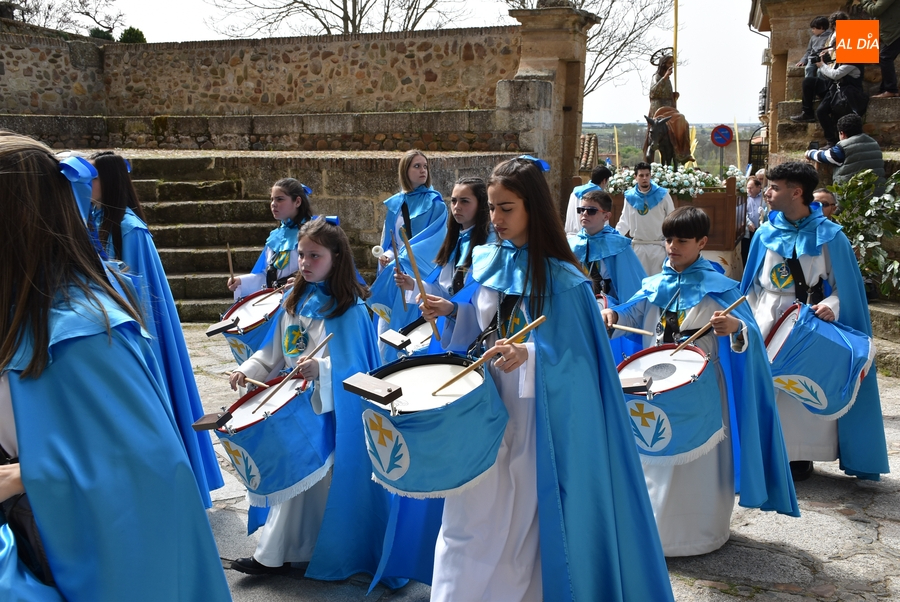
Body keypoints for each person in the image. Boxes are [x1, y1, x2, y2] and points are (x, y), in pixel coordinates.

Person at [422, 156, 673, 601]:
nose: (496, 218)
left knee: (522, 517)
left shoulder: (565, 279)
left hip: (534, 413)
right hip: (482, 401)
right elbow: (484, 323)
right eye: (492, 208)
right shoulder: (487, 258)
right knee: (468, 516)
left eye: (507, 208)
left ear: (533, 208)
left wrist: (530, 354)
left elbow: (581, 361)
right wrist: (453, 311)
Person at [0, 132, 231, 600]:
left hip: (58, 560)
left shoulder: (83, 335)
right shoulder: (24, 312)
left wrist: (25, 474)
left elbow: (143, 472)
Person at [601, 206, 798, 556]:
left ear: (702, 242)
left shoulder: (721, 288)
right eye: (668, 239)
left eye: (682, 240)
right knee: (652, 453)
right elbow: (630, 313)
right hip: (654, 384)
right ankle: (653, 534)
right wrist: (612, 313)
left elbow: (749, 334)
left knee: (698, 462)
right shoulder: (654, 284)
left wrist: (735, 328)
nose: (672, 247)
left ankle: (698, 533)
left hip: (702, 385)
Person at [228, 218, 405, 585]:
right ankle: (288, 551)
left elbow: (358, 368)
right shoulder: (293, 302)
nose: (305, 262)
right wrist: (246, 370)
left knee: (315, 481)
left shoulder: (351, 309)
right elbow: (271, 354)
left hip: (331, 410)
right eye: (301, 254)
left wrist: (322, 369)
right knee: (296, 480)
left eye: (315, 256)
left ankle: (284, 553)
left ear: (336, 258)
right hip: (295, 406)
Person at [89, 151, 223, 508]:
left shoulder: (130, 229)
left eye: (94, 177)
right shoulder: (94, 218)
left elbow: (140, 295)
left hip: (137, 333)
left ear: (109, 181)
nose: (88, 184)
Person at [741, 161, 889, 482]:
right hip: (766, 317)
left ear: (797, 193)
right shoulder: (765, 233)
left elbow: (844, 288)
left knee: (801, 390)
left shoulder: (831, 236)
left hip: (807, 320)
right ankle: (762, 453)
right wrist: (746, 323)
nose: (767, 193)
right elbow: (751, 286)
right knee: (763, 389)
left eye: (775, 187)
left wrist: (832, 306)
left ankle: (798, 455)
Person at [394, 176, 494, 354]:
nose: (457, 207)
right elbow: (446, 291)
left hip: (481, 340)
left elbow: (487, 306)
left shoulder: (490, 246)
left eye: (464, 201)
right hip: (454, 329)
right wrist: (414, 285)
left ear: (482, 204)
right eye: (454, 201)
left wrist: (453, 310)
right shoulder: (456, 242)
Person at [367, 150, 447, 361]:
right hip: (395, 273)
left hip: (418, 274)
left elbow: (434, 240)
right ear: (405, 170)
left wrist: (400, 258)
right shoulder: (396, 204)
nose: (423, 170)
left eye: (425, 166)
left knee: (414, 332)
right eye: (417, 166)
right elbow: (390, 240)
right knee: (387, 331)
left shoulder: (436, 204)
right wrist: (386, 255)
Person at [790, 11, 868, 148]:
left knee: (823, 112)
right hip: (835, 88)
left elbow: (836, 74)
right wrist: (825, 58)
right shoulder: (839, 53)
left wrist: (821, 65)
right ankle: (807, 113)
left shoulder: (853, 58)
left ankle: (832, 142)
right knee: (809, 82)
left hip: (847, 92)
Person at [227, 177, 314, 299]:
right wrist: (241, 282)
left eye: (280, 199)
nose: (273, 204)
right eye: (272, 199)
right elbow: (268, 278)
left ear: (297, 202)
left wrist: (302, 284)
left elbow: (325, 273)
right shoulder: (275, 236)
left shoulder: (313, 234)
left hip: (303, 301)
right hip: (277, 301)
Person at [615, 161, 675, 276]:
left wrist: (672, 242)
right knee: (640, 281)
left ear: (650, 175)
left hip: (658, 247)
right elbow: (624, 221)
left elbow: (672, 219)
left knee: (658, 281)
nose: (644, 178)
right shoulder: (630, 197)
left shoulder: (663, 195)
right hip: (638, 247)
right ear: (635, 177)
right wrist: (615, 239)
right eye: (641, 175)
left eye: (647, 175)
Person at [804, 113, 886, 187]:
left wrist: (810, 153)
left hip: (854, 195)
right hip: (878, 192)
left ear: (842, 133)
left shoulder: (843, 147)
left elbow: (824, 156)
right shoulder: (873, 143)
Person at [858, 0, 900, 99]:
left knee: (885, 57)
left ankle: (891, 90)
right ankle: (885, 89)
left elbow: (875, 10)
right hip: (893, 32)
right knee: (886, 58)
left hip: (895, 33)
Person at [563, 164, 611, 234]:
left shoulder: (574, 192)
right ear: (604, 181)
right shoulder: (600, 197)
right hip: (591, 236)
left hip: (571, 235)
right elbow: (603, 220)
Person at [742, 176, 765, 267]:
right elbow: (742, 212)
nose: (749, 190)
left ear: (758, 187)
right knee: (746, 252)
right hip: (749, 230)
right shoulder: (745, 198)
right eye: (747, 188)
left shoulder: (764, 197)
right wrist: (748, 222)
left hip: (761, 230)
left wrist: (764, 213)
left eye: (751, 188)